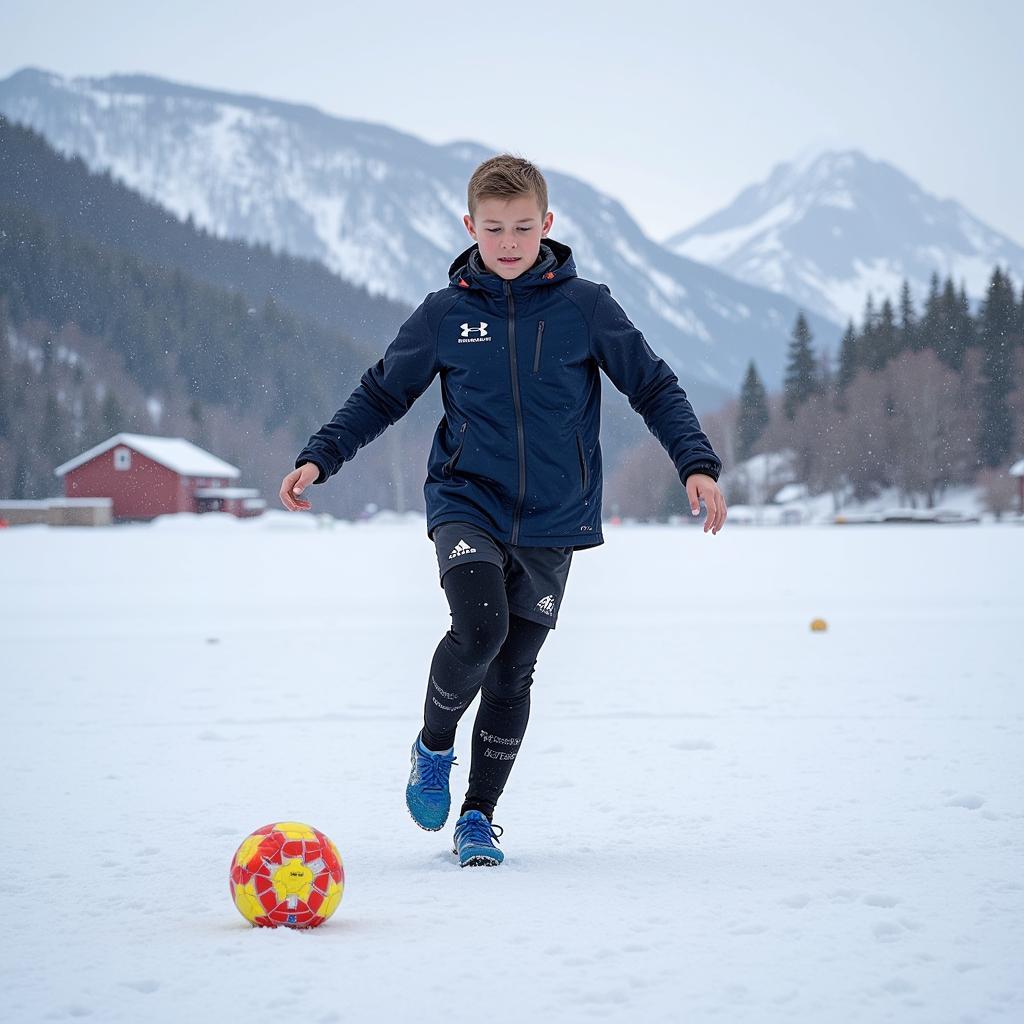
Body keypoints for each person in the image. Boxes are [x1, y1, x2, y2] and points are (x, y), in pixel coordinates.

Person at [279, 154, 726, 868]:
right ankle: (433, 747)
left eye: (523, 227)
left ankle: (478, 817)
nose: (510, 242)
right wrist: (321, 455)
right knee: (479, 628)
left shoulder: (587, 308)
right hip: (468, 500)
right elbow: (382, 393)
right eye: (494, 229)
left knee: (515, 667)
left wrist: (695, 463)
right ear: (470, 228)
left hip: (553, 517)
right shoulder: (446, 314)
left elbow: (654, 385)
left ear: (547, 226)